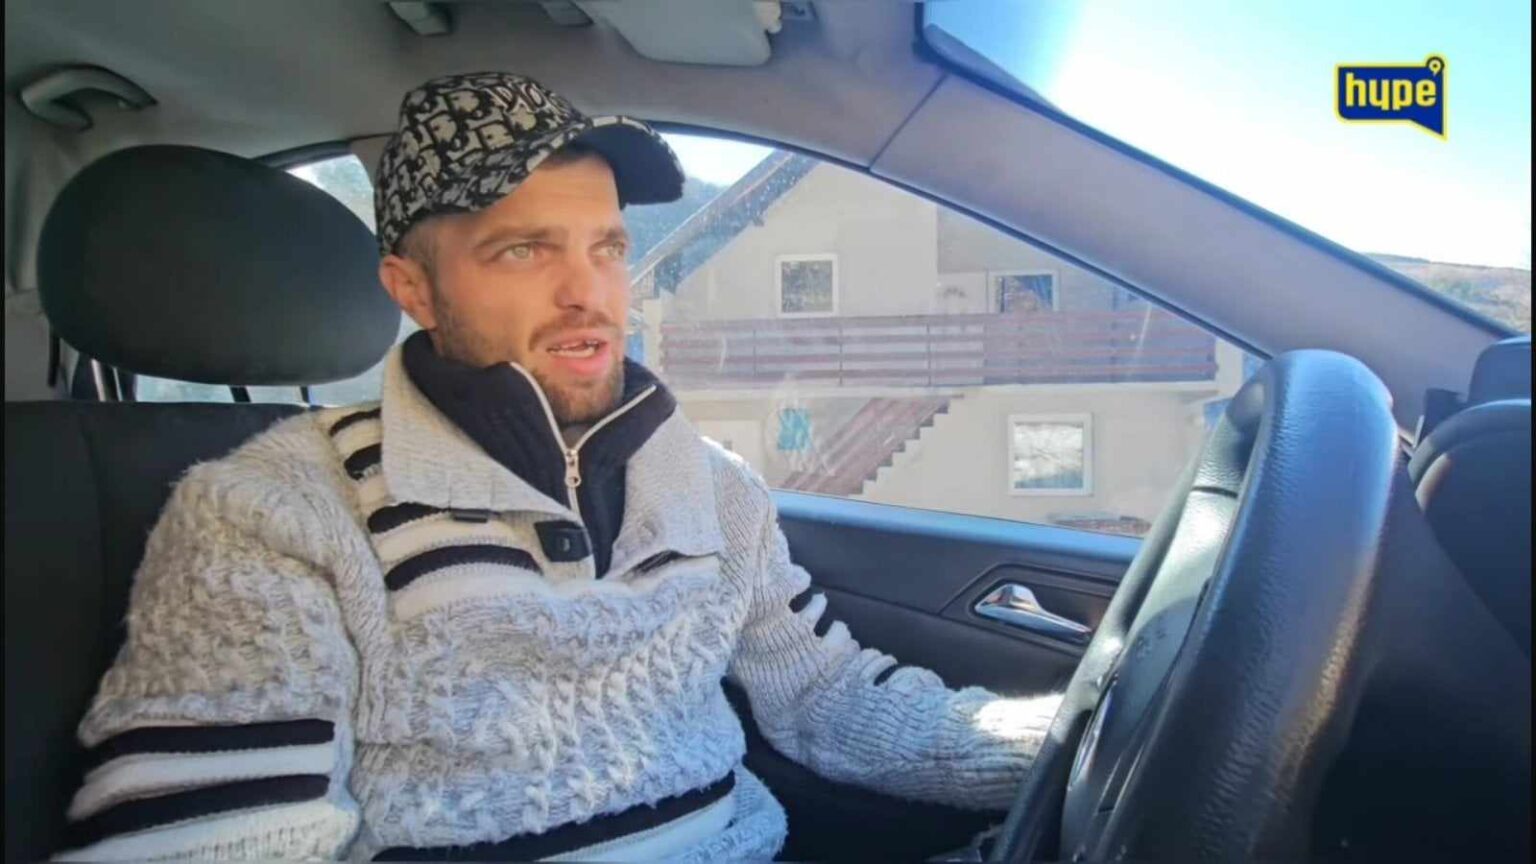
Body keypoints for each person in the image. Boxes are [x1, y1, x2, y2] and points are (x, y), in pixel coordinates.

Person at [56, 73, 1061, 862]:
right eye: (525, 251)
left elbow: (830, 702)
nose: (590, 293)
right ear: (413, 289)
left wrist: (1068, 742)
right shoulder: (272, 513)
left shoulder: (712, 486)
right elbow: (216, 839)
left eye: (608, 247)